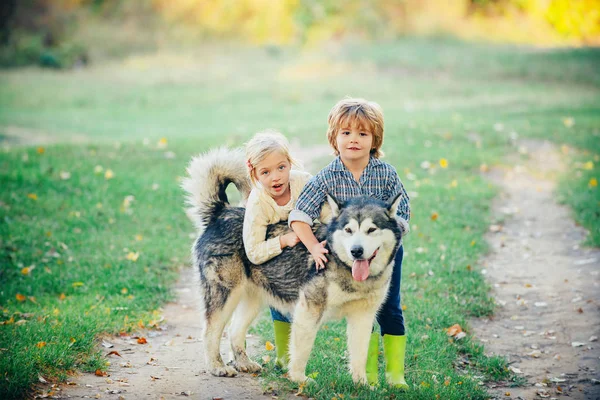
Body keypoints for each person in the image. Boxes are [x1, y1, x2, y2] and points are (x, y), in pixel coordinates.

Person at [288, 98, 411, 389]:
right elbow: (299, 215)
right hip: (340, 256)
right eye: (346, 133)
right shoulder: (326, 177)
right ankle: (355, 373)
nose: (353, 139)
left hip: (382, 254)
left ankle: (394, 375)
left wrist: (386, 242)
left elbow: (403, 214)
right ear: (334, 138)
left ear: (374, 140)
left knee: (388, 309)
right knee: (344, 307)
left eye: (362, 134)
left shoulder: (386, 174)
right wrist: (314, 247)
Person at [242, 130, 311, 368]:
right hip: (276, 255)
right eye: (265, 172)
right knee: (279, 295)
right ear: (254, 174)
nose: (276, 177)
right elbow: (253, 251)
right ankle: (283, 356)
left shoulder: (302, 182)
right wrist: (282, 241)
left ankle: (299, 356)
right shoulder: (258, 202)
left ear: (290, 163)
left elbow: (325, 214)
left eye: (281, 167)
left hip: (306, 251)